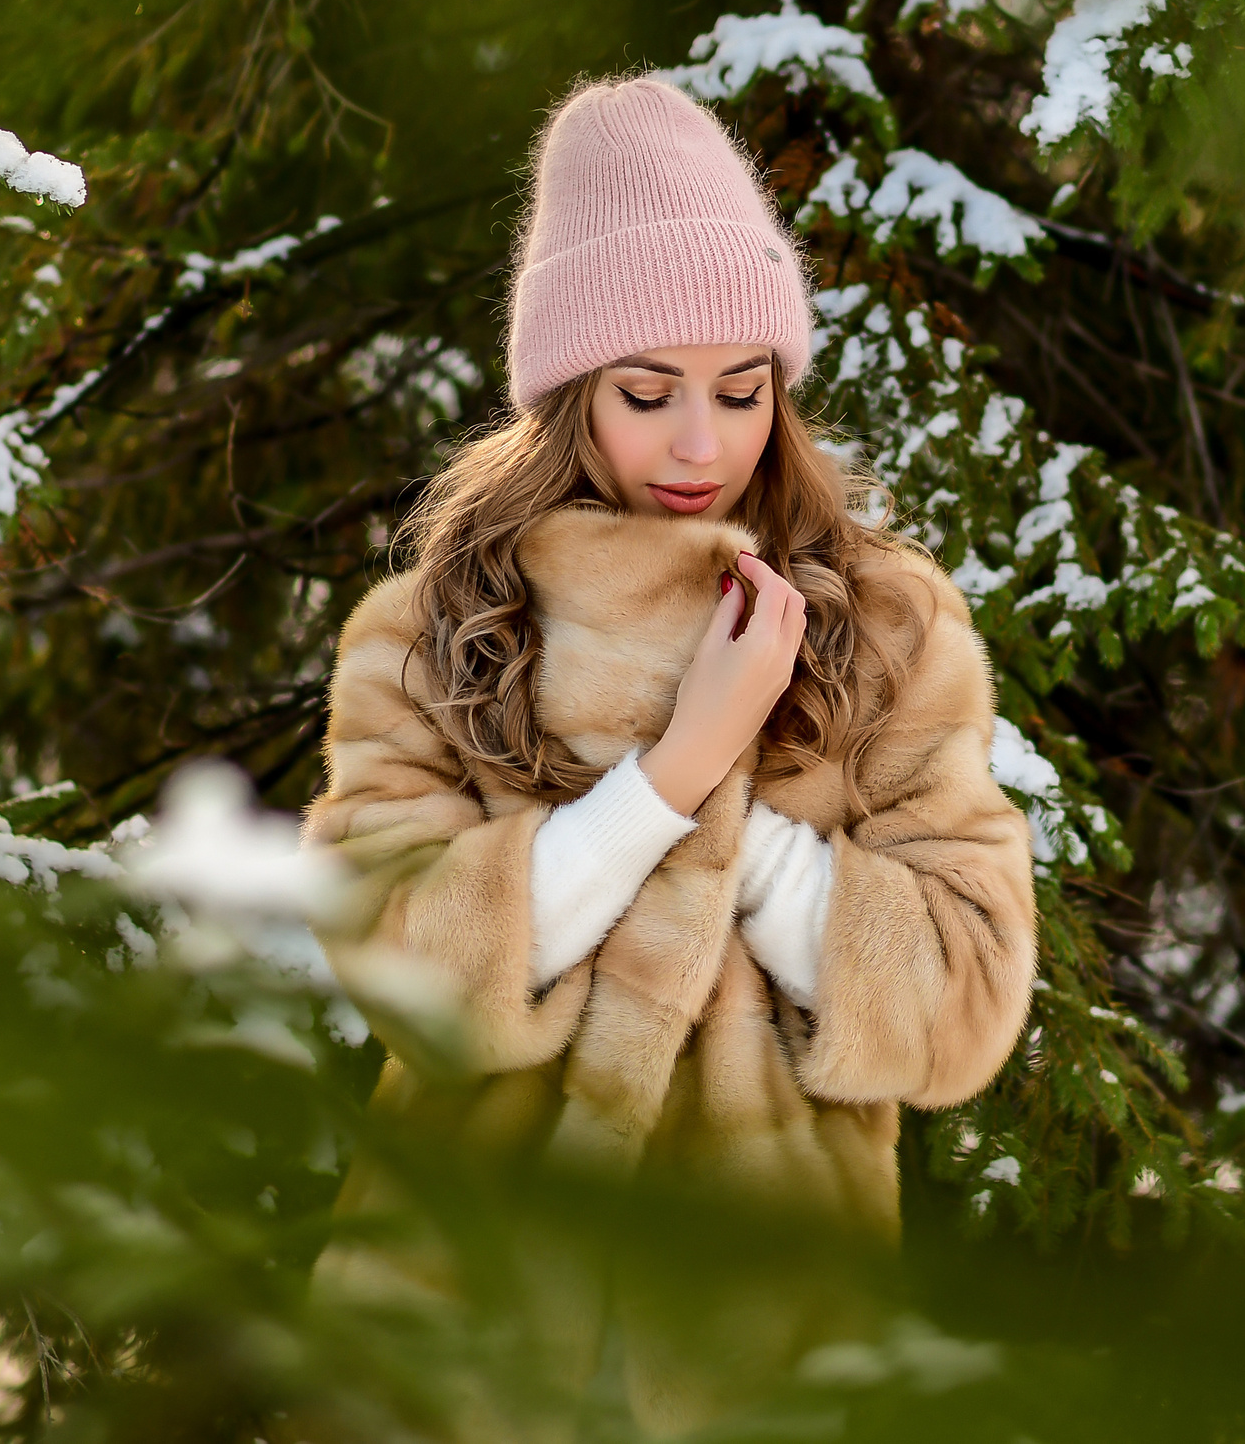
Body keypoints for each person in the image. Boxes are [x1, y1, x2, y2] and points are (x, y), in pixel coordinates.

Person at [302, 75, 1036, 1429]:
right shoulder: (426, 631)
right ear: (571, 392)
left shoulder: (885, 624)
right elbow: (400, 958)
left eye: (742, 391)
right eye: (649, 394)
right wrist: (680, 769)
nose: (705, 444)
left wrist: (741, 847)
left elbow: (963, 1000)